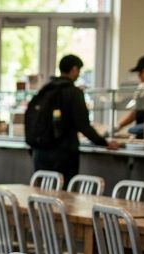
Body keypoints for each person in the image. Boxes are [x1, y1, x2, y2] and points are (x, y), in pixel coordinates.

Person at [30, 54, 121, 182]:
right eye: (79, 70)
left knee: (43, 192)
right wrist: (104, 142)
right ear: (74, 69)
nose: (78, 74)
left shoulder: (46, 90)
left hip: (41, 152)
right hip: (63, 153)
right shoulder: (74, 92)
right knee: (65, 194)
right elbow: (83, 124)